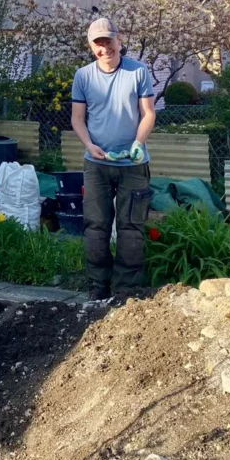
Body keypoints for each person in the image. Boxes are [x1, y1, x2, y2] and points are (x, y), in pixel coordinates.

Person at [70, 17, 156, 300]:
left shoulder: (138, 71)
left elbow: (148, 114)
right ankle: (98, 287)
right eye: (98, 43)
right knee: (96, 227)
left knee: (131, 229)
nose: (104, 48)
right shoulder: (83, 76)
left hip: (133, 164)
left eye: (108, 41)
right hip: (96, 165)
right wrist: (89, 145)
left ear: (119, 40)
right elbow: (78, 119)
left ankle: (126, 290)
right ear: (90, 46)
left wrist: (137, 143)